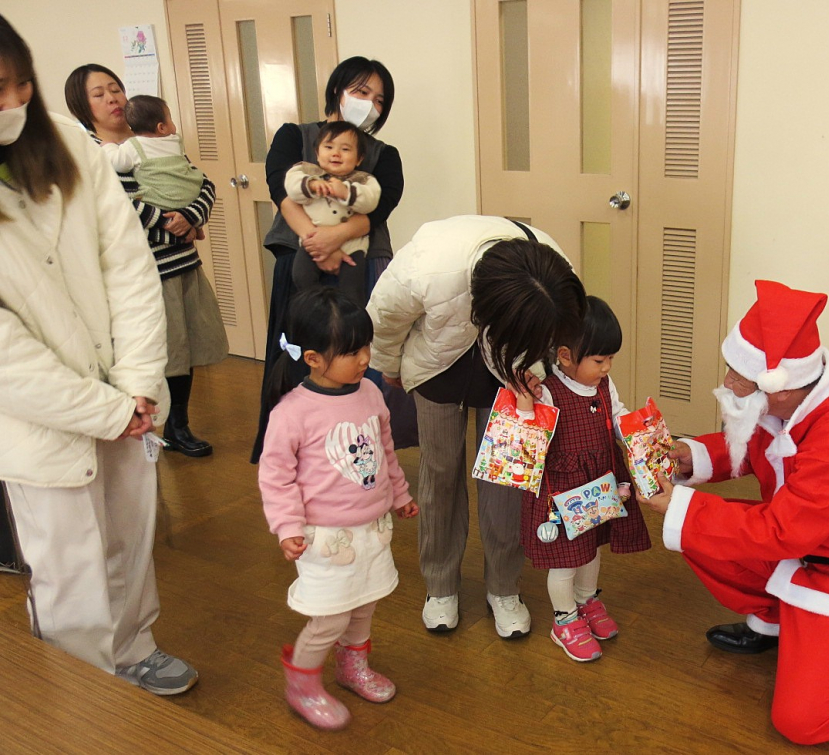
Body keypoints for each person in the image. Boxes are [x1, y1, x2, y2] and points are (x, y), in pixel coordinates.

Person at [639, 279, 829, 745]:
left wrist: (683, 508)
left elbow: (783, 532)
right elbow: (756, 440)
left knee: (803, 723)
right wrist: (690, 457)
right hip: (809, 548)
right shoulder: (799, 395)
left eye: (739, 377)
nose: (728, 384)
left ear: (777, 389)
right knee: (702, 533)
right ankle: (778, 620)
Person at [0, 15, 197, 694]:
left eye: (20, 82)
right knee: (70, 568)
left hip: (126, 392)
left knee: (128, 539)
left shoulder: (62, 141)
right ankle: (86, 691)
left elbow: (128, 264)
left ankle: (136, 643)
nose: (15, 102)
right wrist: (102, 406)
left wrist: (139, 384)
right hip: (42, 417)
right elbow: (7, 357)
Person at [367, 215, 587, 637]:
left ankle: (504, 587)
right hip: (436, 365)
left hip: (510, 376)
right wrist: (389, 366)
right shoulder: (430, 264)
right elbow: (384, 317)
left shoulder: (554, 268)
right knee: (441, 471)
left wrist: (536, 367)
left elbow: (556, 330)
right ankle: (440, 586)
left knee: (506, 481)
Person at [258, 286, 418, 730]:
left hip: (371, 528)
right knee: (329, 617)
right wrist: (286, 525)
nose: (365, 358)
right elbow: (276, 475)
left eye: (365, 346)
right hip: (324, 538)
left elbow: (384, 450)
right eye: (351, 351)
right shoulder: (292, 412)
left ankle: (351, 669)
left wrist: (400, 494)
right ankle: (302, 686)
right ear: (312, 358)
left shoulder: (368, 392)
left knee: (364, 603)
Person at [65, 64, 228, 458]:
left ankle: (177, 424)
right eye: (99, 94)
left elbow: (199, 182)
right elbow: (121, 209)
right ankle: (149, 425)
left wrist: (193, 217)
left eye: (115, 89)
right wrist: (172, 225)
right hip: (141, 272)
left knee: (183, 349)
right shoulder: (90, 152)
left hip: (182, 262)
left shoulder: (155, 136)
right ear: (82, 106)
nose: (113, 99)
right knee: (158, 353)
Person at [251, 56, 404, 465]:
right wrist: (316, 242)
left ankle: (358, 453)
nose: (368, 103)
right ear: (337, 90)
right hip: (301, 259)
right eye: (360, 91)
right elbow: (280, 190)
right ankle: (294, 453)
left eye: (378, 99)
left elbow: (380, 207)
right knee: (302, 349)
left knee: (355, 352)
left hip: (360, 263)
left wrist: (336, 238)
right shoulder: (294, 136)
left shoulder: (383, 154)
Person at [517, 296, 651, 662]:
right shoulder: (546, 391)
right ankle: (564, 620)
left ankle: (585, 601)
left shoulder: (604, 385)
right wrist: (526, 404)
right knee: (565, 559)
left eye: (610, 359)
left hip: (599, 482)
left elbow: (619, 417)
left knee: (591, 551)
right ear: (564, 355)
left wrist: (642, 442)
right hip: (561, 493)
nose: (607, 368)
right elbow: (530, 438)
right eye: (599, 360)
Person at [285, 121, 381, 292]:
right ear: (317, 152)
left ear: (359, 159)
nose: (336, 154)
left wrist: (345, 192)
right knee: (301, 276)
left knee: (353, 288)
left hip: (353, 246)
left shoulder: (364, 179)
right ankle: (317, 308)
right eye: (329, 147)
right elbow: (291, 188)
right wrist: (312, 185)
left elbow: (371, 201)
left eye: (345, 149)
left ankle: (347, 317)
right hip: (313, 242)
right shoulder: (306, 171)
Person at [100, 94, 205, 211]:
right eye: (170, 119)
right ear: (161, 128)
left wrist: (108, 146)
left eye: (115, 90)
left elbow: (118, 163)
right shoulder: (175, 140)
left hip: (166, 201)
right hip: (191, 193)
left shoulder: (133, 146)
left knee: (139, 196)